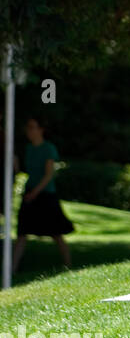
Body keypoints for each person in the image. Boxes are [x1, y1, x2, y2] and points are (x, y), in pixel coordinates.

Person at [13, 115, 73, 271]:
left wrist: (35, 192)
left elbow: (48, 175)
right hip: (30, 193)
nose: (29, 131)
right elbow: (23, 171)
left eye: (32, 127)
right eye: (28, 127)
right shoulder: (28, 148)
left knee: (56, 232)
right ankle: (11, 269)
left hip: (45, 194)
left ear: (41, 130)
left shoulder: (48, 148)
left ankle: (68, 266)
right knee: (22, 232)